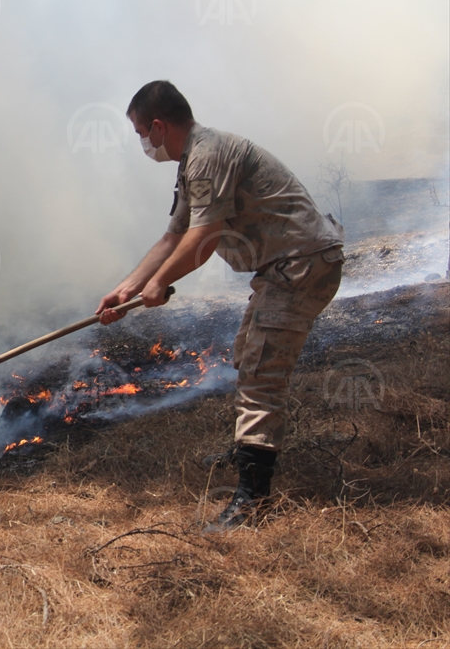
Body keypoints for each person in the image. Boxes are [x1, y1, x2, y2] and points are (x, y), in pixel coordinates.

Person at [96, 80, 345, 531]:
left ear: (158, 125)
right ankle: (250, 452)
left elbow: (202, 240)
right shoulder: (195, 160)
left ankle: (252, 502)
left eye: (139, 133)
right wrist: (127, 288)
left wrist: (159, 285)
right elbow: (173, 236)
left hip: (301, 266)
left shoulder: (207, 156)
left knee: (261, 375)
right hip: (283, 270)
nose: (142, 144)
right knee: (247, 351)